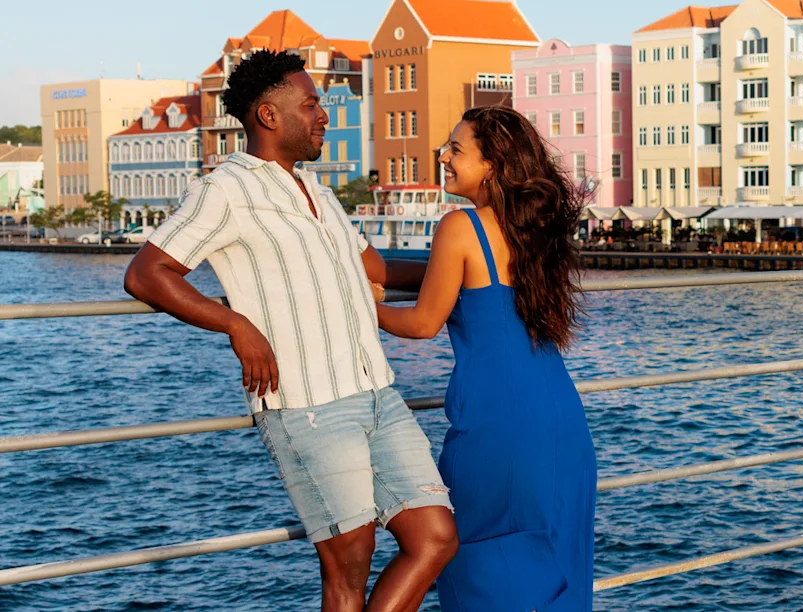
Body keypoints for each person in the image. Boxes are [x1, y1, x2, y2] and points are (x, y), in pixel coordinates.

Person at [124, 49, 457, 612]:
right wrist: (236, 324)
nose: (323, 116)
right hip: (307, 405)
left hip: (377, 393)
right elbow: (146, 274)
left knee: (435, 539)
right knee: (349, 563)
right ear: (269, 116)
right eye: (311, 105)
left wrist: (474, 270)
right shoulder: (226, 188)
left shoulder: (317, 192)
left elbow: (375, 269)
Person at [374, 105, 596, 611]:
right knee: (555, 566)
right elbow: (457, 278)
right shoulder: (534, 231)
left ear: (492, 163)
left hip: (497, 427)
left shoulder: (459, 226)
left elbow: (423, 323)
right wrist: (393, 278)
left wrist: (364, 306)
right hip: (559, 421)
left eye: (456, 149)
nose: (443, 156)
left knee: (479, 563)